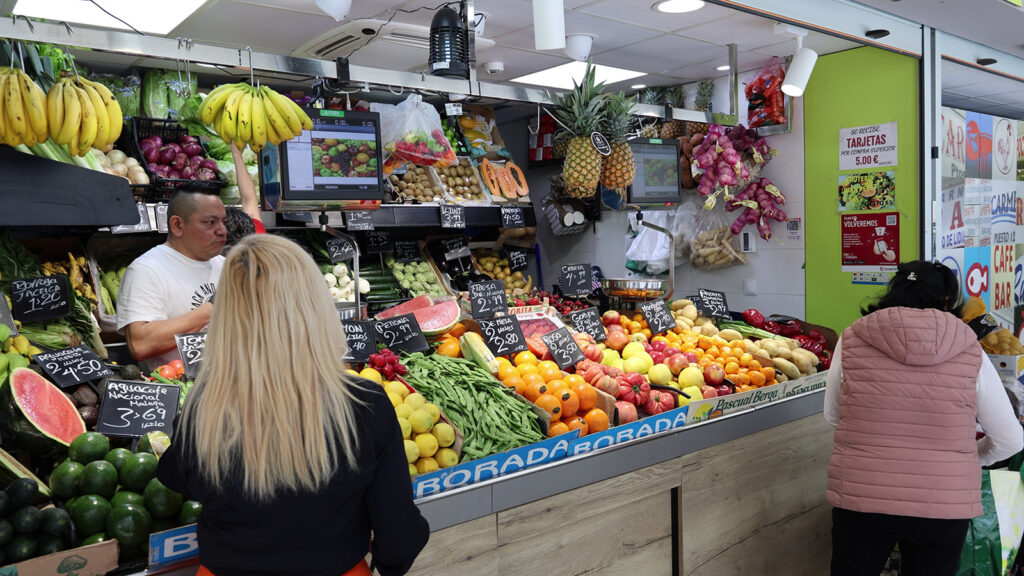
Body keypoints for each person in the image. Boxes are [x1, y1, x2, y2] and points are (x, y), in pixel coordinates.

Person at [157, 234, 429, 576]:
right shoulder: (364, 404)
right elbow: (400, 532)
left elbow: (176, 477)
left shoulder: (206, 405)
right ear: (313, 305)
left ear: (226, 314)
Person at [825, 260, 1023, 576]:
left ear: (894, 291)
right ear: (947, 300)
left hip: (864, 496)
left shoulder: (851, 339)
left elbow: (834, 414)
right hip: (943, 505)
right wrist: (968, 459)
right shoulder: (969, 347)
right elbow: (1010, 439)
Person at [116, 190, 226, 370]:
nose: (222, 231)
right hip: (178, 390)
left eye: (223, 222)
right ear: (177, 225)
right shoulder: (146, 269)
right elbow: (140, 344)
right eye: (210, 222)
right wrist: (213, 307)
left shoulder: (226, 265)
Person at [223, 143, 265, 251]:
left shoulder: (217, 264)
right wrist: (237, 155)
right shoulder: (259, 242)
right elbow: (249, 197)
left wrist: (236, 155)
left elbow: (248, 198)